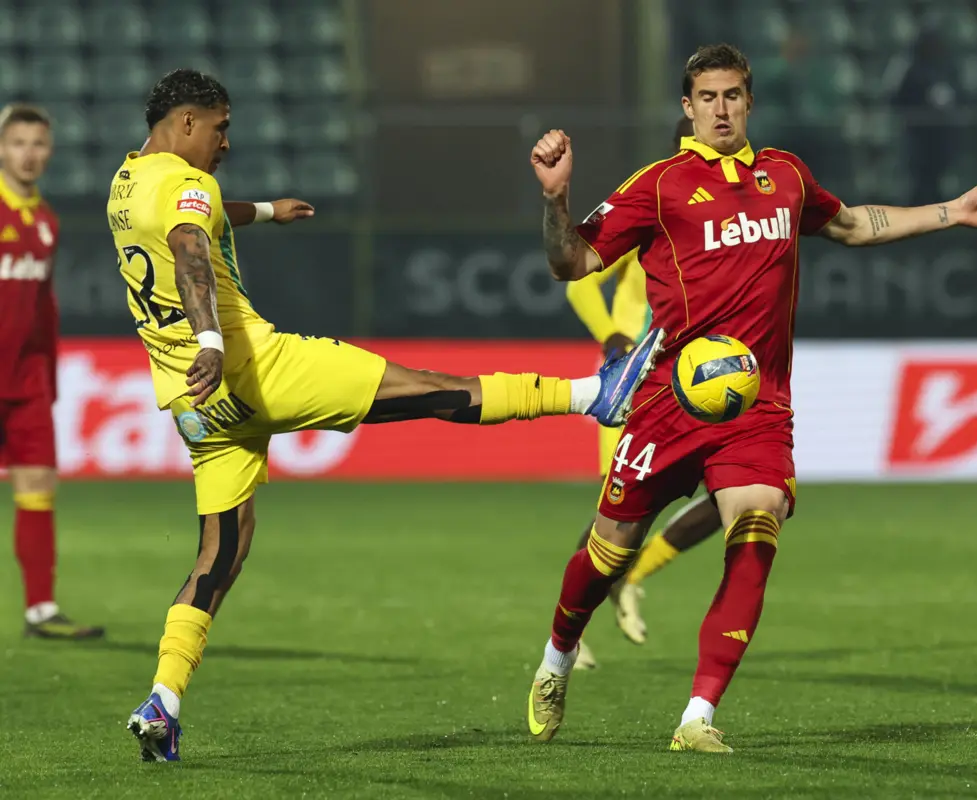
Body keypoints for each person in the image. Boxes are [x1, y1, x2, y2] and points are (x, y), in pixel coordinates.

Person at [113, 69, 663, 763]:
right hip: (251, 366)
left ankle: (163, 699)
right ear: (187, 123)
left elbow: (188, 221)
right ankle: (591, 396)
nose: (227, 141)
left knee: (220, 553)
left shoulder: (127, 182)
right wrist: (215, 341)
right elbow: (191, 246)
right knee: (429, 389)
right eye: (220, 127)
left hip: (194, 405)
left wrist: (262, 212)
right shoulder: (190, 186)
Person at [526, 43, 977, 752]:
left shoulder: (785, 175)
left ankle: (697, 716)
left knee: (757, 525)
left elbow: (853, 225)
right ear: (687, 107)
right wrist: (555, 201)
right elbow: (568, 263)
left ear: (749, 102)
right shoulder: (660, 186)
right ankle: (555, 661)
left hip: (756, 404)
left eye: (733, 95)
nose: (721, 108)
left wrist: (950, 211)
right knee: (608, 550)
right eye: (708, 97)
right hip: (669, 399)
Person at [564, 116, 723, 669]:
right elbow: (579, 273)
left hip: (706, 372)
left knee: (743, 497)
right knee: (622, 506)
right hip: (643, 368)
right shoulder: (663, 199)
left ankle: (634, 575)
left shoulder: (745, 203)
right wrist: (611, 334)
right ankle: (570, 629)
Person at [0, 104, 104, 640]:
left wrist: (50, 377)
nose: (29, 154)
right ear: (1, 147)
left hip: (25, 381)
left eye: (38, 144)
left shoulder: (46, 221)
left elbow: (43, 308)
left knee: (38, 485)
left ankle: (41, 609)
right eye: (18, 143)